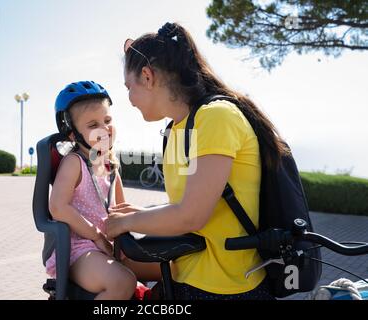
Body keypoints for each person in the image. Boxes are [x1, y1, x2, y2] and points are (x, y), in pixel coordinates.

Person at [105, 22, 289, 300]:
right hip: (190, 271)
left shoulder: (216, 117)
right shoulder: (177, 128)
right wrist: (137, 215)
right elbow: (192, 203)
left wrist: (126, 223)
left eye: (128, 86)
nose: (129, 98)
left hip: (225, 287)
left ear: (147, 76)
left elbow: (192, 215)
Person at [46, 80, 160, 300]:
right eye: (92, 125)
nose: (104, 128)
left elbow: (121, 211)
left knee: (174, 267)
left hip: (110, 246)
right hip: (78, 249)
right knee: (122, 282)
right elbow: (58, 207)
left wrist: (155, 223)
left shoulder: (111, 166)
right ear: (73, 134)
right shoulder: (74, 162)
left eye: (107, 120)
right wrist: (97, 236)